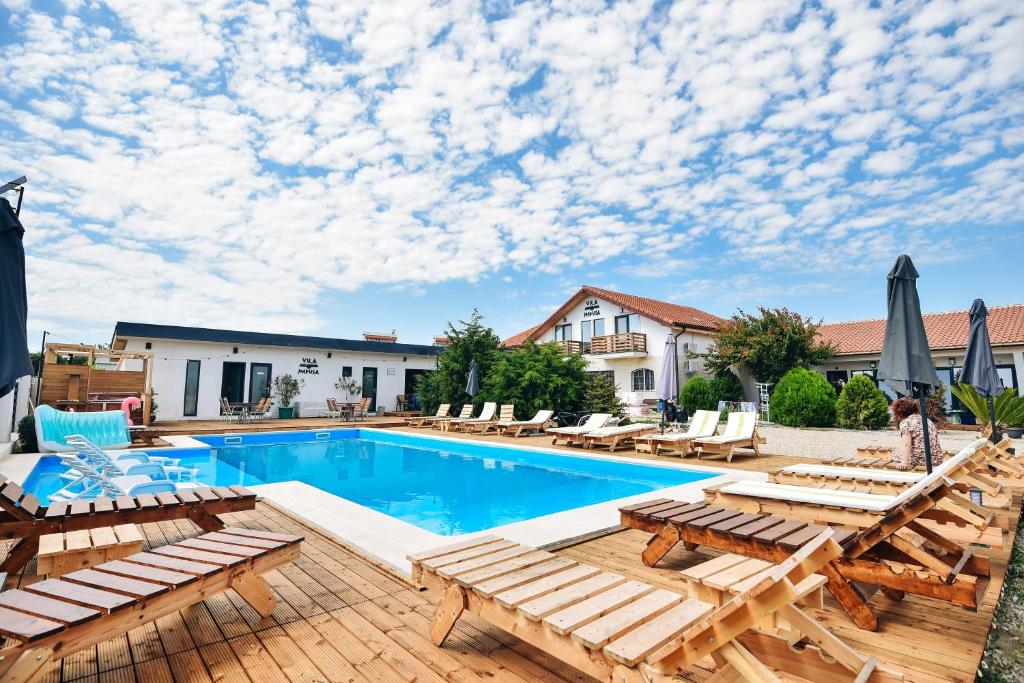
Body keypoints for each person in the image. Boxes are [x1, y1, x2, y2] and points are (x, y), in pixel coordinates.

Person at [891, 397, 943, 470]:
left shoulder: (906, 422)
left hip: (922, 460)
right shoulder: (925, 419)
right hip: (935, 458)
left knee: (895, 453)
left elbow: (907, 444)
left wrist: (903, 462)